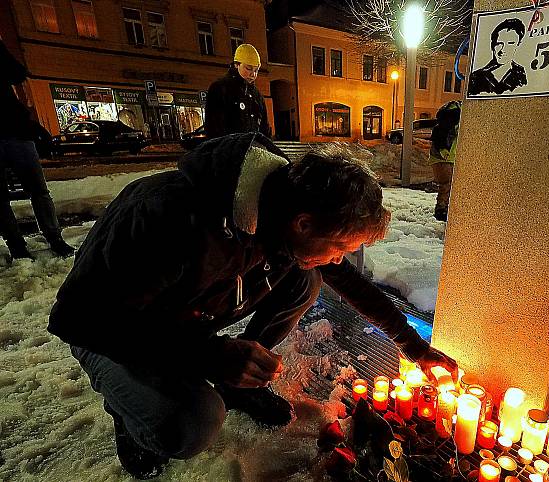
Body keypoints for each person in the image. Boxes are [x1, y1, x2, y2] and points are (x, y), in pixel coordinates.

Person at [48, 133, 458, 479]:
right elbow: (77, 319)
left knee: (306, 276)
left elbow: (351, 282)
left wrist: (413, 345)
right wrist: (211, 355)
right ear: (304, 224)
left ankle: (235, 382)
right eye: (338, 248)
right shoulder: (168, 217)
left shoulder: (282, 211)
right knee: (194, 423)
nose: (338, 259)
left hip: (184, 321)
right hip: (109, 333)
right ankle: (130, 414)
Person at [0, 39, 74, 260]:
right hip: (14, 130)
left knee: (38, 190)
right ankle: (18, 247)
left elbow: (18, 74)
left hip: (15, 128)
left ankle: (53, 238)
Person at [205, 43, 271, 140]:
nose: (253, 74)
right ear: (236, 65)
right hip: (230, 152)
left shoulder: (256, 95)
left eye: (256, 70)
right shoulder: (220, 88)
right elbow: (214, 129)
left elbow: (264, 127)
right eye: (248, 68)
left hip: (253, 151)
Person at [467, 18, 528, 96]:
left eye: (510, 43)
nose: (503, 50)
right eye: (499, 43)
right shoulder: (476, 77)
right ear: (492, 45)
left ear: (518, 45)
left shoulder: (521, 73)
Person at [429, 101, 461, 222]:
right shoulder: (450, 122)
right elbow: (440, 139)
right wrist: (443, 151)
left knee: (449, 184)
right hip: (442, 157)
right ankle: (441, 210)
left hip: (449, 157)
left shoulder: (448, 123)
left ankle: (445, 208)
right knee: (446, 184)